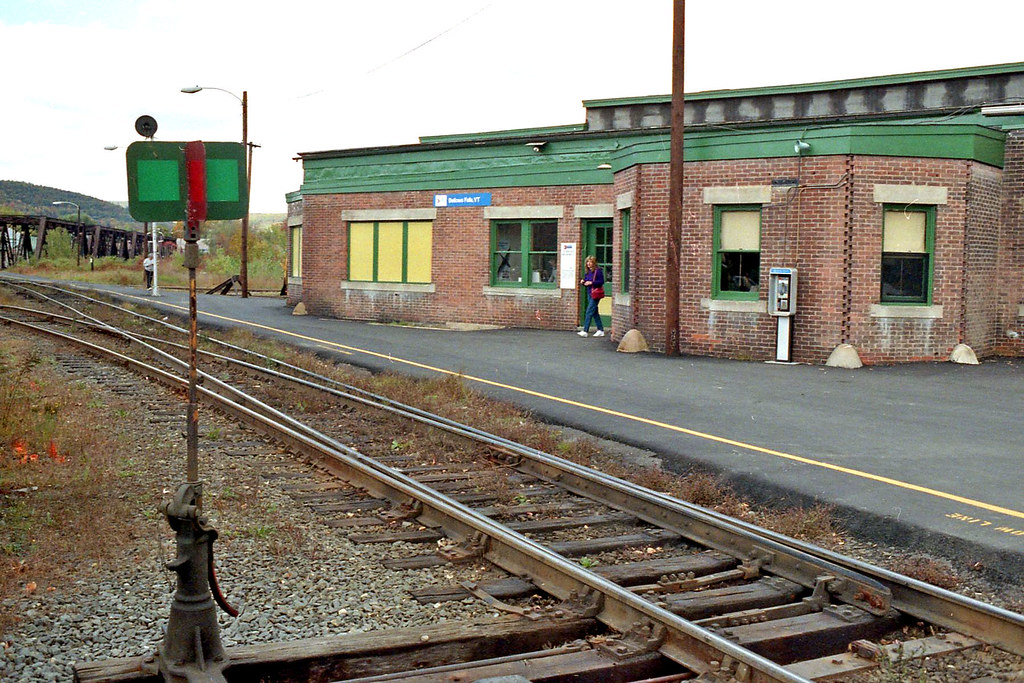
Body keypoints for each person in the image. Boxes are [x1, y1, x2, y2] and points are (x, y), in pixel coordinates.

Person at [578, 255, 605, 337]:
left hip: (596, 294)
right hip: (590, 293)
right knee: (594, 312)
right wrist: (583, 282)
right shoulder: (588, 272)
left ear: (594, 263)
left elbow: (601, 281)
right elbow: (587, 282)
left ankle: (585, 331)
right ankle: (600, 329)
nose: (588, 264)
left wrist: (592, 283)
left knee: (589, 311)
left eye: (590, 262)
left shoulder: (598, 271)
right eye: (587, 262)